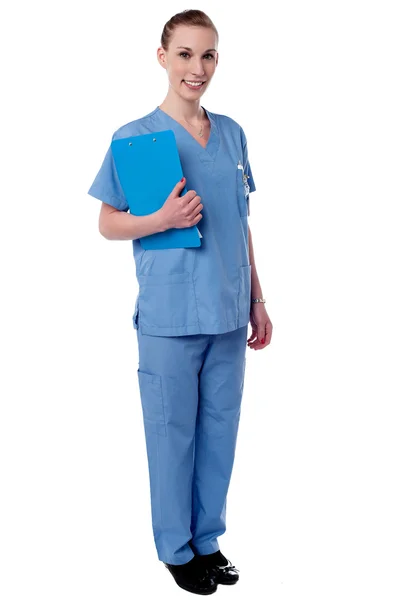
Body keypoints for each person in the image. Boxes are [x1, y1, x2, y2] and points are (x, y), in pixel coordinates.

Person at [87, 9, 273, 596]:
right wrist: (160, 219)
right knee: (172, 435)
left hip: (227, 312)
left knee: (221, 432)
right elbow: (106, 223)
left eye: (209, 55)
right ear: (163, 57)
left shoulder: (235, 133)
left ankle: (208, 539)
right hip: (169, 318)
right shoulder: (134, 138)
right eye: (186, 54)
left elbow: (240, 223)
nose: (198, 68)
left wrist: (258, 299)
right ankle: (175, 548)